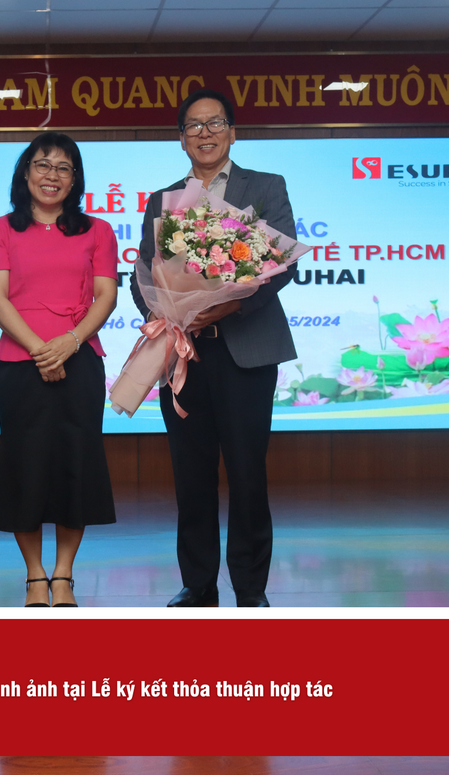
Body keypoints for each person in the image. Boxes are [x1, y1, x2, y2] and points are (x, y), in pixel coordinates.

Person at [130, 89, 298, 608]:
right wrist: (167, 312)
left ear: (232, 132)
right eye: (194, 126)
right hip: (185, 352)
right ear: (181, 139)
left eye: (215, 123)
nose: (205, 133)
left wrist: (226, 307)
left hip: (246, 350)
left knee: (247, 473)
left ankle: (250, 588)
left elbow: (282, 265)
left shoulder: (266, 186)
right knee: (191, 473)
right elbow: (143, 272)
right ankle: (198, 582)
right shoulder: (162, 199)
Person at [0, 132, 119, 608]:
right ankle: (34, 574)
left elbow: (106, 297)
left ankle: (63, 575)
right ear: (25, 172)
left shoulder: (97, 230)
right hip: (21, 364)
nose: (51, 175)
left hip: (81, 361)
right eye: (43, 164)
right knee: (26, 466)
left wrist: (70, 342)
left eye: (63, 168)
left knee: (76, 466)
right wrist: (43, 351)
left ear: (75, 180)